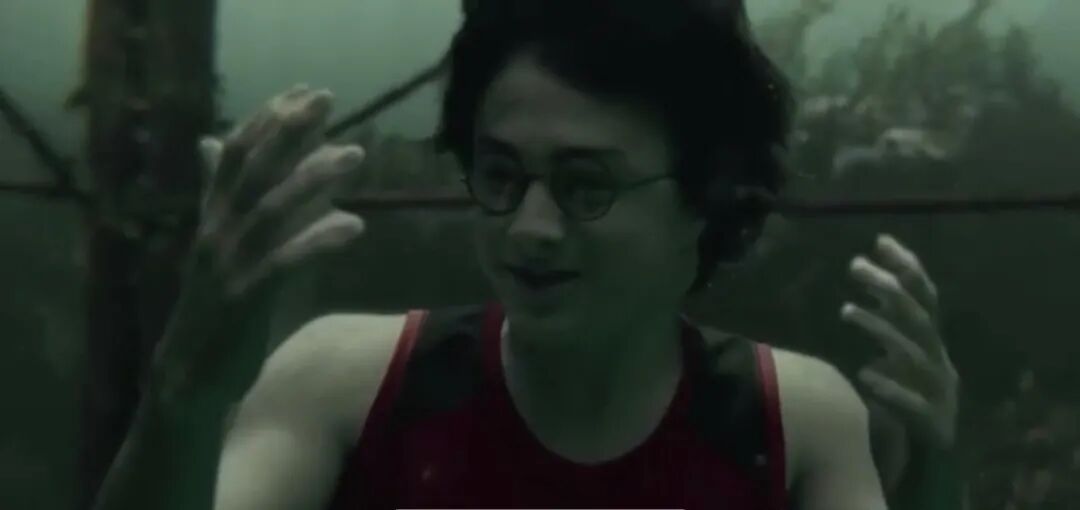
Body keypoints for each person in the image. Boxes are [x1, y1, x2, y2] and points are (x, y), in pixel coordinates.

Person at [93, 1, 962, 509]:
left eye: (587, 186)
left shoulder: (791, 421)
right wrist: (183, 393)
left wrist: (933, 481)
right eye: (501, 175)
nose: (529, 228)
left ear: (708, 197)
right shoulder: (346, 387)